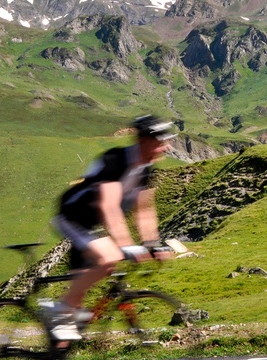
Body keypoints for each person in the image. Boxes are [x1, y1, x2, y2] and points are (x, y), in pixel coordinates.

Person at [43, 114, 177, 341]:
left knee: (70, 328)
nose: (167, 147)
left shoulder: (145, 170)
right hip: (73, 216)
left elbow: (144, 211)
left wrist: (152, 244)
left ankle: (56, 347)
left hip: (92, 225)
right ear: (144, 141)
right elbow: (109, 206)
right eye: (161, 141)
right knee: (110, 258)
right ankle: (58, 309)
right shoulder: (116, 161)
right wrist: (127, 246)